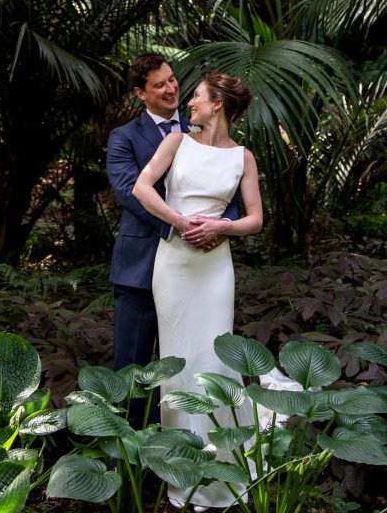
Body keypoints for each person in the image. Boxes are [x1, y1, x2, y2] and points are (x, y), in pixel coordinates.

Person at [132, 71, 263, 510]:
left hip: (215, 266)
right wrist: (181, 221)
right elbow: (141, 188)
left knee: (212, 357)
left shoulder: (243, 157)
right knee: (177, 362)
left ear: (218, 105)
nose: (188, 103)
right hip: (174, 261)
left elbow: (255, 219)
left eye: (197, 98)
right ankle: (181, 470)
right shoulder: (175, 142)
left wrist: (223, 226)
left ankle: (222, 469)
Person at [107, 54, 241, 381]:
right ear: (141, 93)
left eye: (172, 79)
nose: (171, 89)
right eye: (159, 85)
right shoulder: (123, 137)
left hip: (198, 267)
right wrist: (181, 227)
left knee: (190, 357)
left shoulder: (202, 128)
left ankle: (177, 426)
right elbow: (129, 191)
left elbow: (230, 184)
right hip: (141, 264)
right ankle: (128, 432)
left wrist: (221, 228)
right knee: (133, 364)